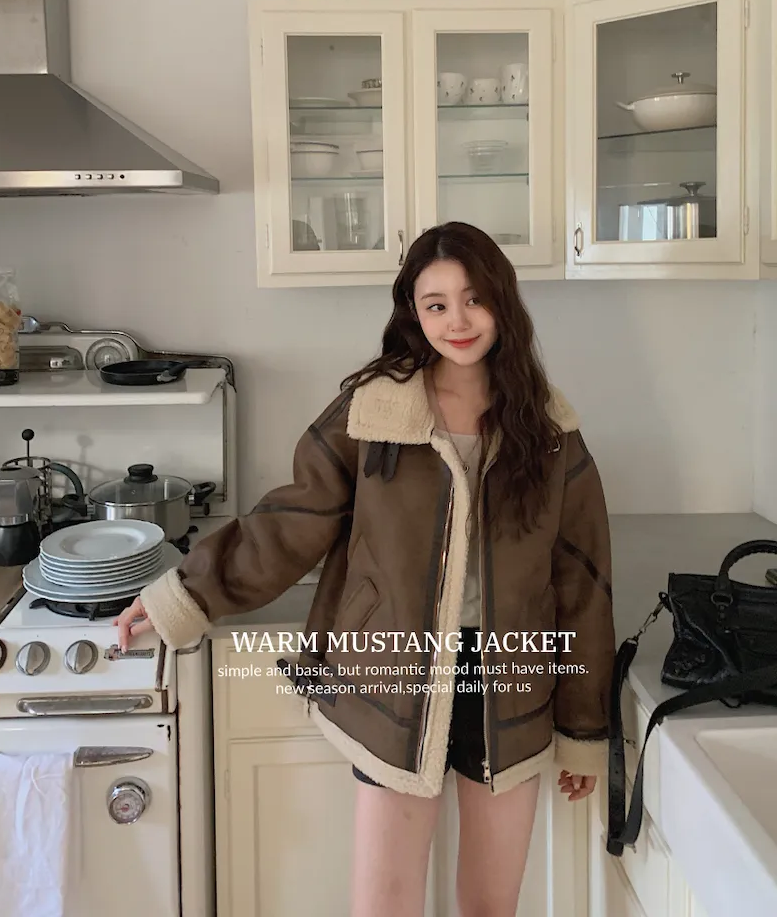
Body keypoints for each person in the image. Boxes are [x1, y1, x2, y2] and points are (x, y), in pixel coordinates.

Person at [115, 221, 616, 917]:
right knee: (384, 904)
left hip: (511, 682)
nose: (457, 321)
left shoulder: (550, 428)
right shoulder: (376, 409)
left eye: (473, 299)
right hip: (393, 680)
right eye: (436, 304)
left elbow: (583, 580)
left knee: (491, 906)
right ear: (413, 312)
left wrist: (585, 731)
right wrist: (185, 593)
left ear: (503, 301)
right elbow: (294, 519)